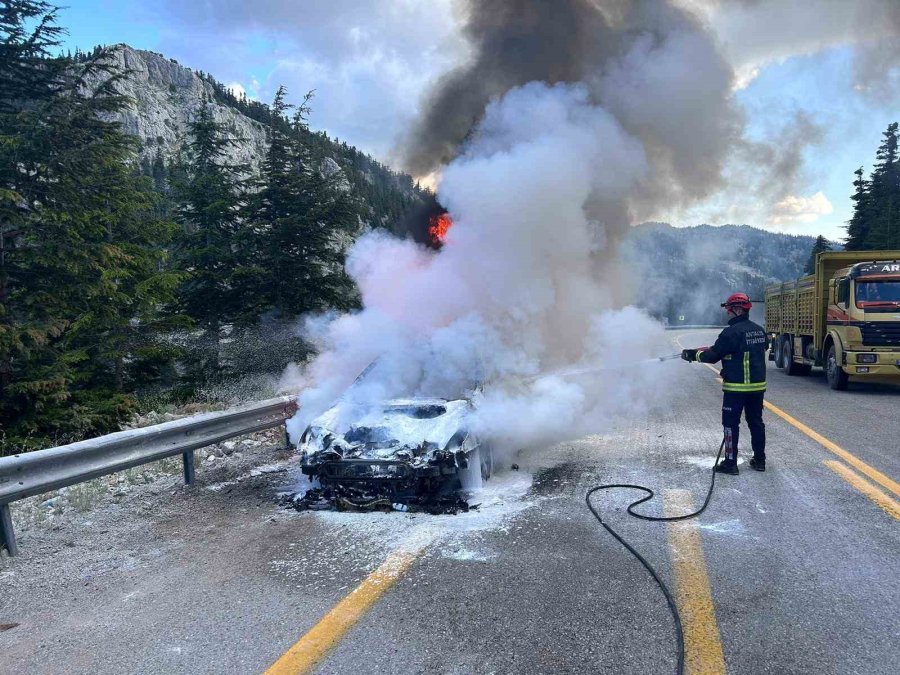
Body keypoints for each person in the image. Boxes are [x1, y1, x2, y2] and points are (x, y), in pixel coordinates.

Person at [681, 293, 769, 474]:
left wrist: (692, 355)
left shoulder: (730, 332)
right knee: (756, 422)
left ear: (737, 310)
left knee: (730, 425)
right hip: (757, 387)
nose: (728, 314)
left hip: (736, 388)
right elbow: (751, 349)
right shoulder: (759, 331)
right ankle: (760, 461)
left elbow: (712, 356)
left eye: (729, 311)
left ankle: (730, 464)